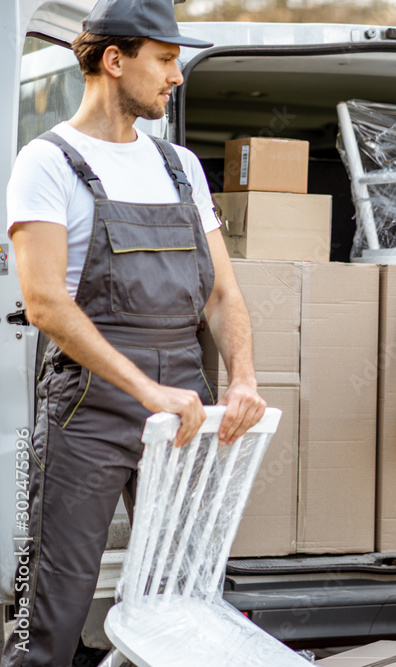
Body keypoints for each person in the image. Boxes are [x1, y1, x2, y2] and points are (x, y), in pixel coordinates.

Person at [4, 0, 266, 664]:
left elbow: (222, 291)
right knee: (52, 609)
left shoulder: (181, 166)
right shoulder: (47, 162)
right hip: (90, 406)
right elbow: (46, 304)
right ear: (115, 60)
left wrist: (241, 376)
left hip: (182, 401)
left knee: (181, 599)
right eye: (167, 58)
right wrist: (147, 389)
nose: (177, 76)